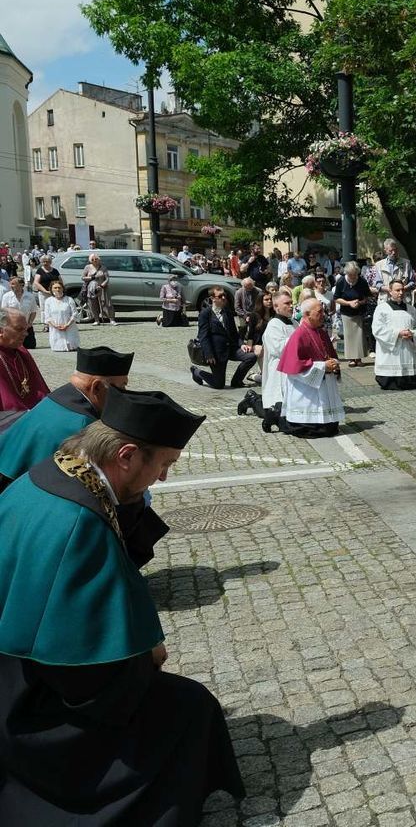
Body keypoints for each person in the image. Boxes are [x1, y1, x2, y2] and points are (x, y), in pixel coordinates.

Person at [0, 387, 244, 820]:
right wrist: (141, 661)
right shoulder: (76, 523)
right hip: (27, 705)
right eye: (164, 464)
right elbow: (85, 680)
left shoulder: (58, 472)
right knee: (190, 707)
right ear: (126, 455)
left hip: (18, 670)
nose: (165, 478)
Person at [0, 346, 132, 489]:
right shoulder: (83, 426)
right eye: (122, 386)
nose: (124, 394)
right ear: (97, 387)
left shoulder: (58, 397)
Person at [270, 298, 344, 437]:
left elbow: (329, 355)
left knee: (330, 428)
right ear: (307, 314)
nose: (324, 315)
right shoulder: (299, 335)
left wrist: (333, 364)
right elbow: (295, 368)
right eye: (319, 312)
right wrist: (323, 367)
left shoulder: (321, 332)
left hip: (323, 389)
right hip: (306, 393)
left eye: (323, 311)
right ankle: (275, 415)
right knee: (309, 429)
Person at [248, 287, 297, 427]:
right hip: (279, 372)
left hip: (292, 370)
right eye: (287, 303)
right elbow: (280, 349)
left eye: (291, 302)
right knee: (273, 410)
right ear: (276, 307)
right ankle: (252, 399)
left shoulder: (294, 322)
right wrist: (298, 339)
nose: (291, 306)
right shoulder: (273, 326)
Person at [190, 288, 257, 389]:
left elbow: (234, 333)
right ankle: (197, 372)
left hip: (231, 348)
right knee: (219, 384)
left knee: (251, 357)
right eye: (220, 296)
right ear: (212, 298)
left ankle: (236, 381)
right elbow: (203, 336)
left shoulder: (227, 312)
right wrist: (209, 354)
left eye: (224, 295)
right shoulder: (205, 314)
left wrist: (242, 344)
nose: (224, 298)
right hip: (216, 353)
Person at [372, 279, 416, 390]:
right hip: (390, 352)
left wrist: (412, 334)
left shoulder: (411, 309)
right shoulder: (382, 309)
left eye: (402, 290)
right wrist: (398, 333)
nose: (401, 293)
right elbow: (377, 329)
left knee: (410, 381)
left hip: (407, 348)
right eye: (397, 290)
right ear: (390, 292)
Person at [0, 308, 49, 417]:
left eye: (26, 329)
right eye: (19, 329)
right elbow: (7, 403)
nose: (26, 334)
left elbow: (41, 390)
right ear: (1, 331)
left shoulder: (21, 351)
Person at [333, 262, 372, 367]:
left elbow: (367, 297)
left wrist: (359, 302)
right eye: (351, 275)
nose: (353, 277)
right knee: (349, 336)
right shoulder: (341, 281)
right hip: (346, 312)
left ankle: (359, 358)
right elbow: (336, 298)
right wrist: (348, 303)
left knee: (359, 336)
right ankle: (351, 359)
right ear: (347, 273)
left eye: (355, 274)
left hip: (359, 312)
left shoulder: (362, 281)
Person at [81, 253, 118, 326]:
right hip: (91, 289)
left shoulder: (103, 267)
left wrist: (101, 286)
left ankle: (112, 320)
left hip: (103, 288)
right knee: (93, 304)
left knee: (107, 304)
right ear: (90, 260)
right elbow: (82, 277)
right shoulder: (87, 267)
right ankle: (96, 320)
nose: (94, 260)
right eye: (92, 259)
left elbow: (107, 279)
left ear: (99, 259)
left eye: (96, 259)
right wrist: (92, 278)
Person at [41, 280, 78, 352]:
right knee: (58, 348)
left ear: (63, 288)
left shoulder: (69, 299)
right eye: (55, 288)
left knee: (72, 347)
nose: (57, 290)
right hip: (56, 328)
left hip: (69, 327)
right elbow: (47, 316)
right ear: (51, 289)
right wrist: (55, 326)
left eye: (59, 287)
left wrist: (67, 325)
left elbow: (74, 314)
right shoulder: (48, 301)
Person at [1, 276, 38, 348]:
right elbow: (4, 312)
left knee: (30, 346)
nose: (11, 286)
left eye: (13, 284)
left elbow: (33, 311)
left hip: (26, 326)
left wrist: (30, 323)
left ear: (21, 285)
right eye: (11, 284)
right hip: (12, 327)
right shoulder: (6, 296)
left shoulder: (30, 296)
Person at [31, 255, 60, 332]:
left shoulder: (55, 271)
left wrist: (58, 290)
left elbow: (60, 281)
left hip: (55, 293)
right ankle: (46, 325)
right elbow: (36, 283)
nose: (45, 263)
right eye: (44, 261)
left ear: (50, 262)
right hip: (44, 293)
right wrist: (45, 291)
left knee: (55, 308)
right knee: (44, 309)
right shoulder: (39, 271)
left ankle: (55, 324)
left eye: (47, 261)